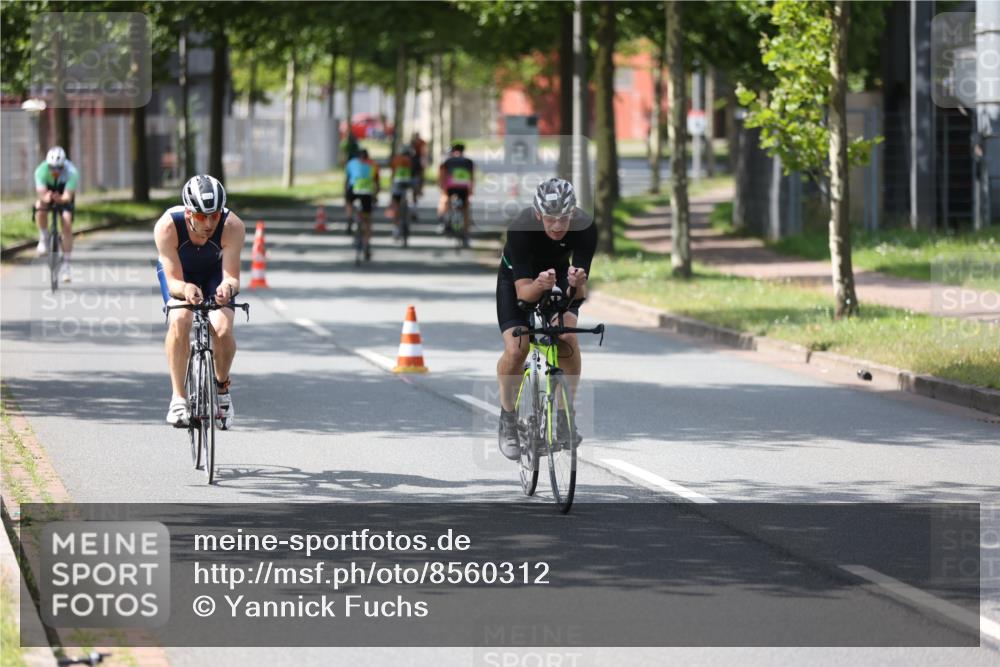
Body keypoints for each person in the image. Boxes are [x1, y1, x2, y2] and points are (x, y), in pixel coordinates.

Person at [495, 178, 596, 461]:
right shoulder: (520, 229)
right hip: (519, 280)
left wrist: (576, 282)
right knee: (517, 349)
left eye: (564, 218)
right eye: (551, 218)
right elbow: (525, 296)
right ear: (538, 214)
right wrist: (539, 285)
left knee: (567, 336)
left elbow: (578, 295)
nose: (557, 225)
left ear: (573, 213)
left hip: (559, 274)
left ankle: (564, 415)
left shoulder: (585, 227)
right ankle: (508, 418)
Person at [154, 175, 246, 429]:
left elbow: (232, 277)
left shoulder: (233, 226)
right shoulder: (167, 227)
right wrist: (185, 289)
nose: (209, 223)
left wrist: (227, 288)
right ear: (188, 212)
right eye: (202, 216)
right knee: (180, 320)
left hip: (215, 275)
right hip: (180, 276)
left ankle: (222, 387)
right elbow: (173, 282)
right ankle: (178, 398)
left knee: (223, 329)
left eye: (214, 215)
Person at [34, 146, 80, 282]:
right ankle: (44, 238)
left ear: (63, 165)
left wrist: (60, 199)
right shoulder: (40, 171)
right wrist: (47, 198)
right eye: (52, 167)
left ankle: (66, 264)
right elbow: (41, 192)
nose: (55, 171)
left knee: (66, 221)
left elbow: (68, 196)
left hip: (64, 194)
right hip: (47, 192)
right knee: (39, 207)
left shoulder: (72, 172)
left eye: (58, 168)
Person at [343, 148, 380, 258]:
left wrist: (344, 193)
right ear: (368, 157)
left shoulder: (351, 163)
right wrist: (376, 196)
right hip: (367, 193)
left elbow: (347, 179)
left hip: (353, 189)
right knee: (367, 220)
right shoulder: (373, 165)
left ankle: (349, 219)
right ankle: (367, 244)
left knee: (349, 202)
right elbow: (376, 182)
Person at [437, 142, 474, 247]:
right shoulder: (469, 162)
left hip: (451, 187)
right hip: (464, 188)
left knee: (445, 200)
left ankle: (443, 222)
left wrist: (442, 187)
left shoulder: (448, 161)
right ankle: (466, 235)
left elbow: (442, 175)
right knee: (466, 209)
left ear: (453, 151)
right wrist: (471, 191)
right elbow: (472, 177)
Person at [388, 145, 415, 238]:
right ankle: (412, 211)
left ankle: (395, 228)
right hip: (408, 184)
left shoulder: (396, 159)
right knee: (411, 198)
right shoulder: (411, 160)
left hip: (397, 183)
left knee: (395, 204)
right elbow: (415, 173)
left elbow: (392, 173)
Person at [409, 132, 426, 205]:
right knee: (420, 176)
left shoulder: (421, 143)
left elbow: (423, 152)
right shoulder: (414, 143)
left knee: (420, 177)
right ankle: (418, 190)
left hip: (416, 163)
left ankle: (419, 190)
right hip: (415, 163)